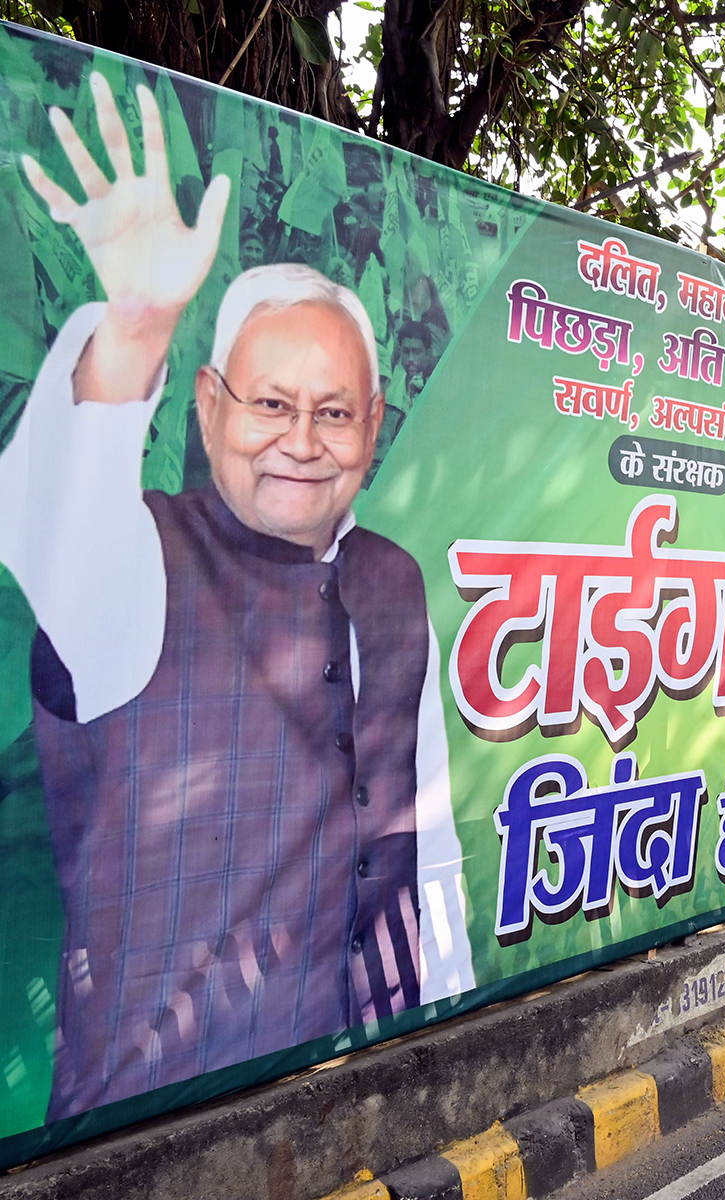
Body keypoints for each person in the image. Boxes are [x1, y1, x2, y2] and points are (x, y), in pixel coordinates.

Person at [0, 73, 473, 1119]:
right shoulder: (134, 563)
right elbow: (50, 531)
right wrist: (129, 334)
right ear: (209, 409)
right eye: (269, 404)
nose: (301, 442)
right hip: (160, 1123)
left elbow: (421, 833)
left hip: (373, 1086)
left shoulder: (392, 579)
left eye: (333, 413)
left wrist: (448, 1032)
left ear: (373, 430)